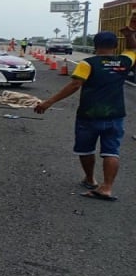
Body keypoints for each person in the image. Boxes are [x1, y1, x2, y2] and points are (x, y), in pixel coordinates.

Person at [34, 30, 136, 201]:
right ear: (116, 46)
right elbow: (133, 49)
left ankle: (90, 179)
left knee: (86, 149)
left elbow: (75, 85)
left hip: (89, 115)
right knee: (112, 151)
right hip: (115, 115)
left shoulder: (87, 64)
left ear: (95, 46)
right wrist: (129, 35)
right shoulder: (124, 61)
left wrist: (48, 102)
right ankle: (107, 188)